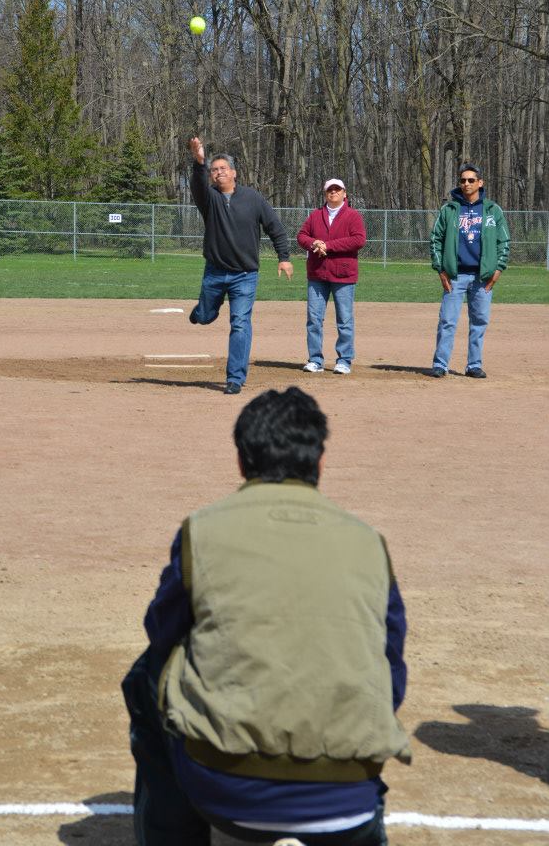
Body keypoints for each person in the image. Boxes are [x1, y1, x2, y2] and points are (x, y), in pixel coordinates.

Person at [122, 386, 410, 846]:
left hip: (226, 788)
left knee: (146, 675)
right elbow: (391, 663)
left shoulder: (204, 528)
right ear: (318, 463)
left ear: (241, 462)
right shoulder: (368, 542)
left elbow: (161, 631)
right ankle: (366, 824)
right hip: (345, 800)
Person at [188, 137, 293, 395]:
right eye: (214, 169)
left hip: (244, 276)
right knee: (204, 316)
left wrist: (284, 257)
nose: (218, 172)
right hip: (215, 272)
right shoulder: (209, 199)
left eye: (223, 168)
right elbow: (198, 185)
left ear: (234, 173)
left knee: (240, 323)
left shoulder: (253, 198)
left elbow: (275, 228)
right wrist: (199, 162)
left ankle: (235, 378)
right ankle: (202, 312)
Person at [430, 163, 510, 378]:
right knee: (447, 321)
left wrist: (498, 270)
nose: (466, 184)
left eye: (471, 180)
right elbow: (435, 240)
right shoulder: (449, 209)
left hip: (482, 277)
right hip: (454, 276)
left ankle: (473, 365)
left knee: (479, 322)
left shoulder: (492, 210)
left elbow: (504, 242)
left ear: (480, 183)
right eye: (463, 180)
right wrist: (441, 270)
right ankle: (440, 364)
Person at [297, 179, 366, 375]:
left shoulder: (353, 216)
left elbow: (358, 239)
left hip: (343, 274)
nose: (333, 193)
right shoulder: (316, 215)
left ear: (345, 193)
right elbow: (301, 236)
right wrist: (314, 243)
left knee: (344, 319)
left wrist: (329, 245)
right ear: (325, 193)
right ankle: (315, 359)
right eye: (330, 190)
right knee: (314, 318)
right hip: (318, 273)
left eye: (337, 190)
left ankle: (344, 360)